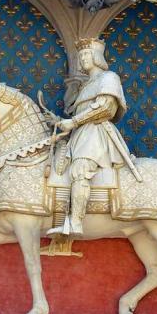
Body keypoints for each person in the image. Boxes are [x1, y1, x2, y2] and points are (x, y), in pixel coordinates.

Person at [48, 38, 140, 237]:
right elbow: (79, 112)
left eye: (86, 54)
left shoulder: (109, 78)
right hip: (80, 133)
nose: (82, 59)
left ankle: (75, 223)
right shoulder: (85, 84)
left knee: (81, 169)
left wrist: (73, 122)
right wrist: (61, 120)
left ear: (97, 57)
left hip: (96, 132)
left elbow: (106, 107)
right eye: (80, 56)